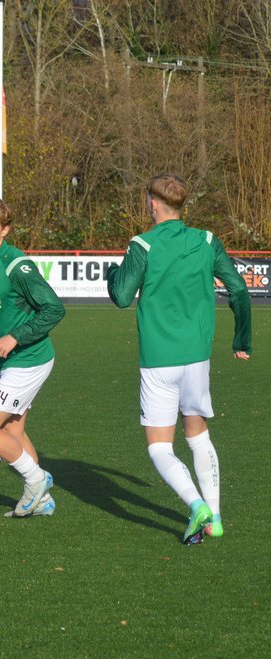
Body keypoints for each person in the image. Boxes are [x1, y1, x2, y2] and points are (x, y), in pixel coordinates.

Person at [107, 173, 251, 544]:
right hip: (196, 359)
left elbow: (122, 297)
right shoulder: (205, 240)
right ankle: (215, 517)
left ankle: (197, 506)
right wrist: (242, 339)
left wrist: (113, 275)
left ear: (152, 204)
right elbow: (238, 289)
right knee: (198, 435)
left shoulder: (143, 244)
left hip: (159, 359)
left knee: (159, 447)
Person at [0, 198, 65, 517]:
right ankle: (43, 500)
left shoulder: (17, 266)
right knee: (13, 432)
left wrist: (15, 336)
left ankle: (37, 481)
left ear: (5, 230)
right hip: (4, 361)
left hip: (29, 359)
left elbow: (54, 309)